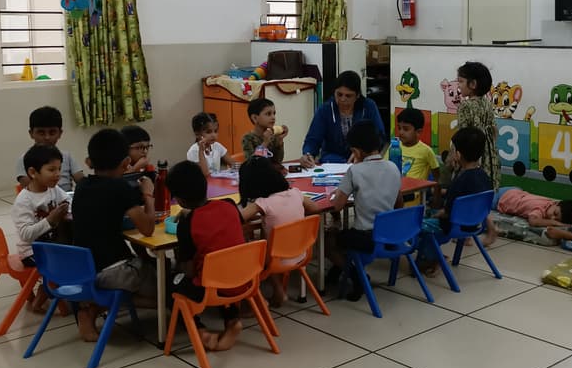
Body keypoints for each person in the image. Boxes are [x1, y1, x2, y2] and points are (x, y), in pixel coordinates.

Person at [72, 129, 157, 342]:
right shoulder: (120, 188)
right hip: (114, 272)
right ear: (126, 162)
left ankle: (93, 306)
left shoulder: (82, 186)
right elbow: (147, 229)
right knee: (168, 286)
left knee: (149, 271)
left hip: (83, 268)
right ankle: (95, 307)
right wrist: (148, 194)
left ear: (90, 161)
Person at [166, 160, 245, 352]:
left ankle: (201, 332)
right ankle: (232, 320)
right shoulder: (229, 205)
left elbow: (190, 270)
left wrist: (177, 265)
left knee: (170, 283)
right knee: (220, 269)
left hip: (213, 287)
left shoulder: (187, 224)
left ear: (179, 200)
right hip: (245, 279)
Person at [328, 121, 402, 300]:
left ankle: (356, 276)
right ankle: (336, 272)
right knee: (346, 235)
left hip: (367, 237)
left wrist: (339, 192)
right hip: (393, 233)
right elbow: (399, 204)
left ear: (356, 152)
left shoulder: (355, 171)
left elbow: (337, 206)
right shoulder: (393, 167)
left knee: (328, 241)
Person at [237, 156, 319, 306]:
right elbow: (314, 208)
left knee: (256, 250)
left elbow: (238, 218)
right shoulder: (296, 193)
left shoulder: (262, 203)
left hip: (276, 259)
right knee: (273, 246)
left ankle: (273, 292)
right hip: (301, 253)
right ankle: (278, 290)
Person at [417, 126, 493, 273]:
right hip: (476, 224)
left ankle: (433, 260)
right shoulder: (485, 177)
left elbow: (446, 213)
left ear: (458, 154)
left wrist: (434, 213)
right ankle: (435, 256)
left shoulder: (460, 180)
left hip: (453, 226)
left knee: (420, 224)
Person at [11, 144, 71, 312]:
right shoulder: (24, 201)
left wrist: (67, 206)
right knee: (65, 264)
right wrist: (50, 221)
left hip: (51, 245)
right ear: (32, 173)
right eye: (51, 170)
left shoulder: (53, 189)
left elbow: (67, 200)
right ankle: (39, 300)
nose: (58, 174)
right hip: (31, 251)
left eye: (59, 168)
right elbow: (26, 234)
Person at [300, 71, 385, 167]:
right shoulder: (325, 109)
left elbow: (380, 136)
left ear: (357, 95)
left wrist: (363, 153)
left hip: (362, 158)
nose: (343, 99)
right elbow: (313, 139)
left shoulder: (368, 106)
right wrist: (307, 154)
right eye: (339, 94)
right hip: (333, 160)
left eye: (348, 96)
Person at [15, 106, 83, 191]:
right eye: (41, 132)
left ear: (60, 133)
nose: (47, 137)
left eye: (52, 132)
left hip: (67, 201)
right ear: (31, 133)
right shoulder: (24, 159)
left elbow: (82, 181)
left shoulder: (67, 156)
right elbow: (31, 190)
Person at [456, 62, 500, 189]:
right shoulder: (487, 103)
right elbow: (494, 129)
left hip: (470, 152)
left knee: (467, 185)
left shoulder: (465, 105)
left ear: (473, 84)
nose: (459, 86)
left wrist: (456, 153)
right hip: (488, 151)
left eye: (461, 81)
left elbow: (462, 134)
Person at [386, 108, 440, 207]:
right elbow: (385, 167)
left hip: (413, 194)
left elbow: (437, 176)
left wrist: (436, 200)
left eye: (406, 129)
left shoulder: (426, 151)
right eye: (399, 128)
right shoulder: (394, 146)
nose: (401, 132)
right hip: (393, 189)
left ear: (418, 132)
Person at [494, 187, 572, 228]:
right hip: (501, 200)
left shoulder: (551, 203)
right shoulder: (539, 210)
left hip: (514, 191)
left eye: (556, 219)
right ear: (556, 203)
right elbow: (533, 222)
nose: (552, 217)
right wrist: (555, 223)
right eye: (555, 214)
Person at [242, 98, 288, 164]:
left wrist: (279, 140)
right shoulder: (248, 138)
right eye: (268, 114)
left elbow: (278, 161)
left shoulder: (273, 136)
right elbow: (252, 164)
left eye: (274, 113)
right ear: (255, 118)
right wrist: (265, 143)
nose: (273, 117)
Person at [187, 112, 230, 177]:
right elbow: (205, 174)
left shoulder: (217, 146)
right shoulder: (194, 151)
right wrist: (201, 151)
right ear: (197, 134)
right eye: (208, 132)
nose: (213, 135)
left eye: (215, 131)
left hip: (215, 184)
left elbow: (233, 163)